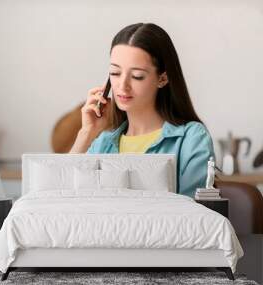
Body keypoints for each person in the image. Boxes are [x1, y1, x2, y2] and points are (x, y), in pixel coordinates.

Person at [69, 23, 215, 197]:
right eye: (115, 73)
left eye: (137, 76)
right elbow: (63, 200)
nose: (122, 86)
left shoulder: (191, 138)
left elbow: (192, 214)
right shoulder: (103, 143)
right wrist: (86, 133)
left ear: (162, 78)